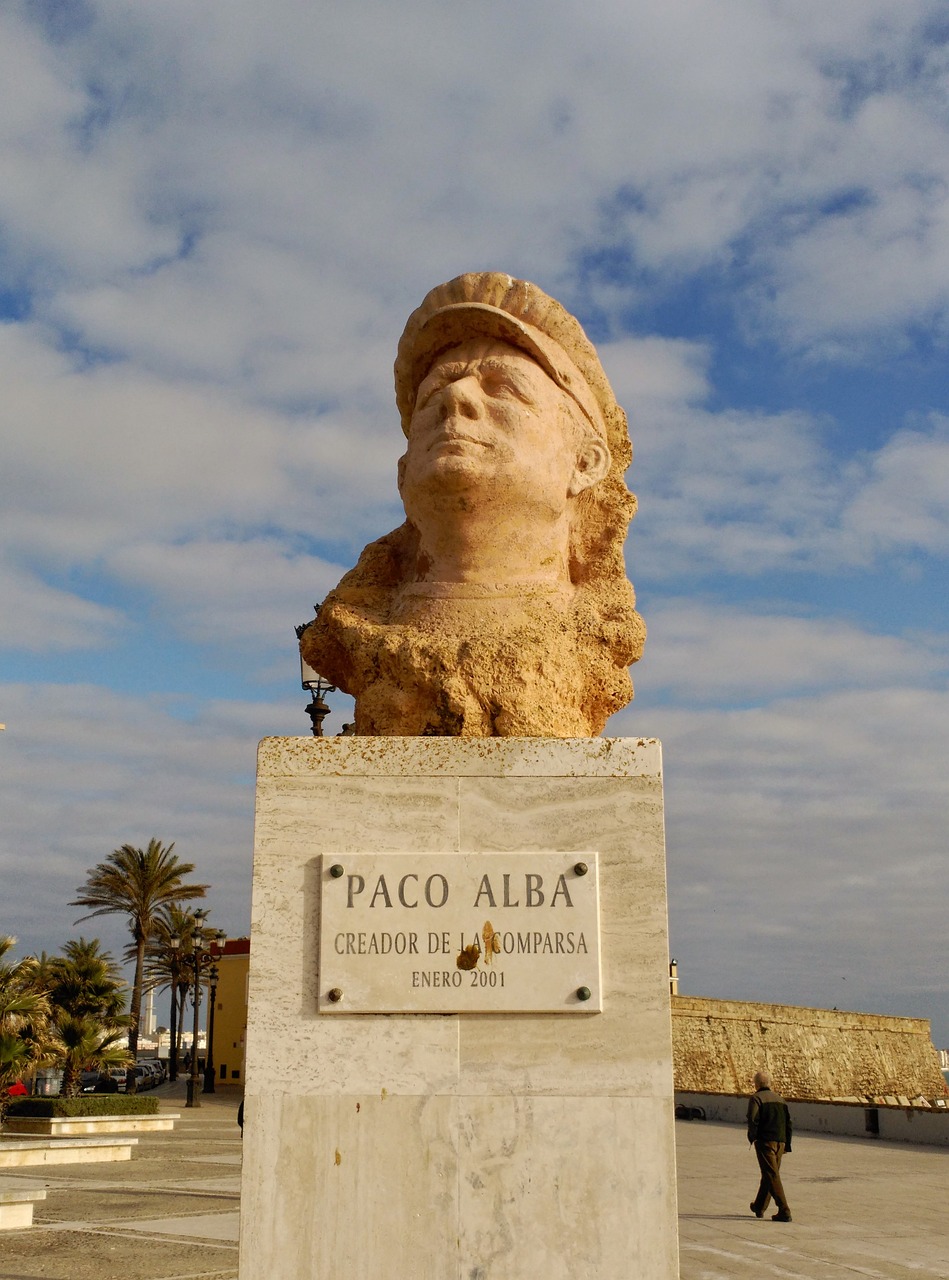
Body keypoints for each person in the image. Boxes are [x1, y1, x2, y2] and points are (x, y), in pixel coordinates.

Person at [302, 272, 646, 736]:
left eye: (503, 387)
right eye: (434, 392)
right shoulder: (353, 627)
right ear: (403, 474)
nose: (457, 398)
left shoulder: (590, 636)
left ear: (583, 463)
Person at [747, 1070, 793, 1222]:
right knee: (769, 1174)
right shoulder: (780, 1100)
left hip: (765, 1141)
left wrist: (753, 1136)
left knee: (772, 1175)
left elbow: (753, 1119)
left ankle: (784, 1210)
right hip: (780, 1141)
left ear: (757, 1084)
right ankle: (759, 1206)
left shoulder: (756, 1098)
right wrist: (787, 1144)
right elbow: (788, 1123)